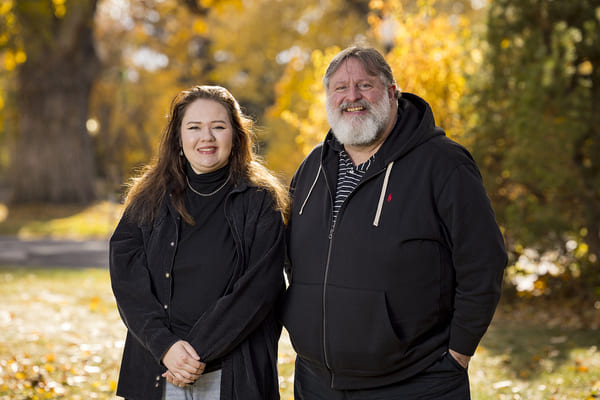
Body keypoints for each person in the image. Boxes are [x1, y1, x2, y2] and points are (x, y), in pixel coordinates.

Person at [281, 45, 508, 399]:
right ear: (328, 97)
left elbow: (483, 263)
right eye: (340, 88)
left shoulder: (444, 164)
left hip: (414, 381)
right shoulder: (312, 167)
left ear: (391, 92)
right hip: (317, 382)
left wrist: (458, 353)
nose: (352, 97)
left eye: (364, 85)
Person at [109, 85, 287, 400]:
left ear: (236, 135)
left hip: (232, 374)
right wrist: (165, 347)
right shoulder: (149, 197)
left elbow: (260, 290)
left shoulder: (261, 201)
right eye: (194, 127)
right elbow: (127, 281)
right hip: (158, 368)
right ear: (179, 138)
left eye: (218, 127)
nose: (206, 137)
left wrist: (194, 355)